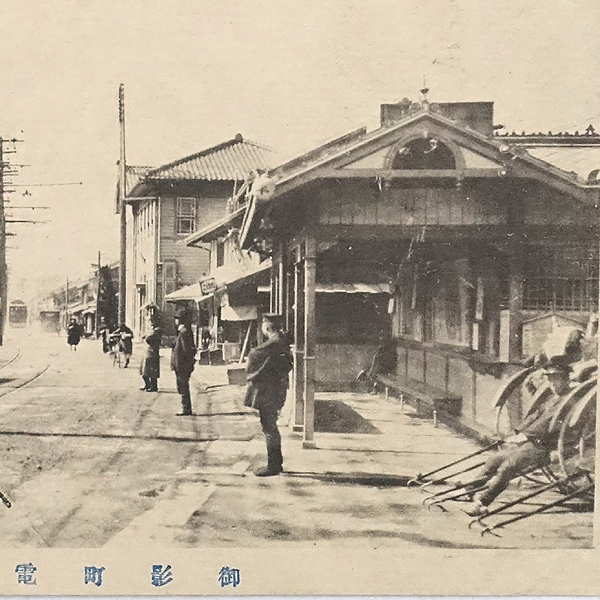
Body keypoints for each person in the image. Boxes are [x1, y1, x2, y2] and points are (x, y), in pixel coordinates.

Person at [244, 313, 293, 477]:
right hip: (277, 388)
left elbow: (253, 355)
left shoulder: (273, 344)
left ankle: (273, 465)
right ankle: (276, 463)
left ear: (266, 326)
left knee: (269, 426)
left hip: (268, 390)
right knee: (270, 425)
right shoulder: (281, 343)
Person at [171, 308, 197, 416]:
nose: (175, 321)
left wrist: (186, 364)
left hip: (182, 365)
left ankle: (186, 409)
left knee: (183, 386)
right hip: (181, 365)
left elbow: (187, 351)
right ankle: (185, 408)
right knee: (182, 385)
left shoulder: (184, 332)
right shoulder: (183, 332)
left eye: (177, 318)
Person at [140, 325, 161, 392]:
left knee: (151, 372)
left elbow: (148, 339)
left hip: (151, 354)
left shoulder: (155, 333)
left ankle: (153, 387)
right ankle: (148, 385)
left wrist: (147, 335)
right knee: (145, 372)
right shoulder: (153, 333)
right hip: (148, 353)